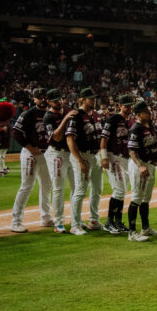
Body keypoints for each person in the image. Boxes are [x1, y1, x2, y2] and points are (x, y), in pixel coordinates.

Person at [9, 88, 53, 233]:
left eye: (44, 97)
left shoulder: (50, 113)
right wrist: (29, 147)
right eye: (38, 97)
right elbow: (16, 132)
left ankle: (45, 217)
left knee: (47, 186)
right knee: (27, 185)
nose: (42, 99)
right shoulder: (29, 114)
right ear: (34, 99)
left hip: (46, 154)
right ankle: (16, 221)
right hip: (31, 153)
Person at [66, 87, 103, 235]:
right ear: (82, 100)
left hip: (95, 156)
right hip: (82, 156)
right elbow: (70, 140)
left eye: (94, 98)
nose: (94, 100)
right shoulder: (76, 116)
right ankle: (75, 224)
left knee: (97, 189)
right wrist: (80, 161)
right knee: (80, 191)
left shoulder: (95, 115)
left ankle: (93, 220)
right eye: (91, 98)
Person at [100, 93, 135, 234]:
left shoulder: (131, 121)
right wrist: (104, 157)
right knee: (119, 189)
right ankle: (109, 222)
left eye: (130, 105)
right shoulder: (114, 119)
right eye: (126, 105)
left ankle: (118, 221)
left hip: (125, 158)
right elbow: (103, 138)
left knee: (122, 191)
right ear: (120, 106)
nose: (128, 108)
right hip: (113, 156)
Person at [127, 100, 157, 242]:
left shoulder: (150, 126)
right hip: (140, 166)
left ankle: (145, 228)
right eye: (147, 112)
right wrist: (140, 165)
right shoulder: (136, 128)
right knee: (136, 198)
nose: (150, 113)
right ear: (139, 114)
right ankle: (132, 232)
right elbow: (132, 151)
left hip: (151, 165)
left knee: (146, 199)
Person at [43, 89, 75, 233]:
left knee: (77, 187)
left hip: (71, 153)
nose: (59, 101)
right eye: (55, 100)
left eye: (60, 98)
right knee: (58, 188)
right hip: (56, 153)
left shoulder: (68, 110)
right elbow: (55, 137)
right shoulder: (48, 117)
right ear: (49, 102)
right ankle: (59, 223)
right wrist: (65, 119)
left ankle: (76, 220)